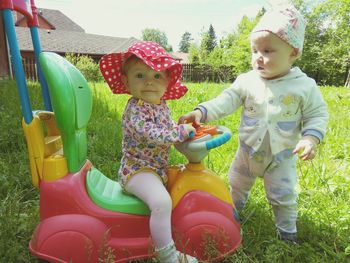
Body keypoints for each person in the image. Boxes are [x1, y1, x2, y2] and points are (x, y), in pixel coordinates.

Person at [178, 5, 328, 243]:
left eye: (268, 50)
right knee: (235, 186)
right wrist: (201, 111)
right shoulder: (247, 81)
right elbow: (226, 100)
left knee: (283, 196)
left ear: (294, 52)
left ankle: (287, 234)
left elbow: (317, 114)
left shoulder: (304, 86)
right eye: (255, 49)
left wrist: (310, 138)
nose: (258, 56)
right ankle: (232, 214)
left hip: (280, 157)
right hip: (246, 152)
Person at [99, 41, 197, 263]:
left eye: (157, 76)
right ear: (126, 81)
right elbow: (150, 133)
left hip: (156, 169)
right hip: (137, 171)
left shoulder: (160, 105)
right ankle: (167, 255)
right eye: (140, 75)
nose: (149, 83)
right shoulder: (136, 109)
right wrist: (178, 133)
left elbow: (167, 128)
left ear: (167, 82)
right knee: (162, 202)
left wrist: (180, 128)